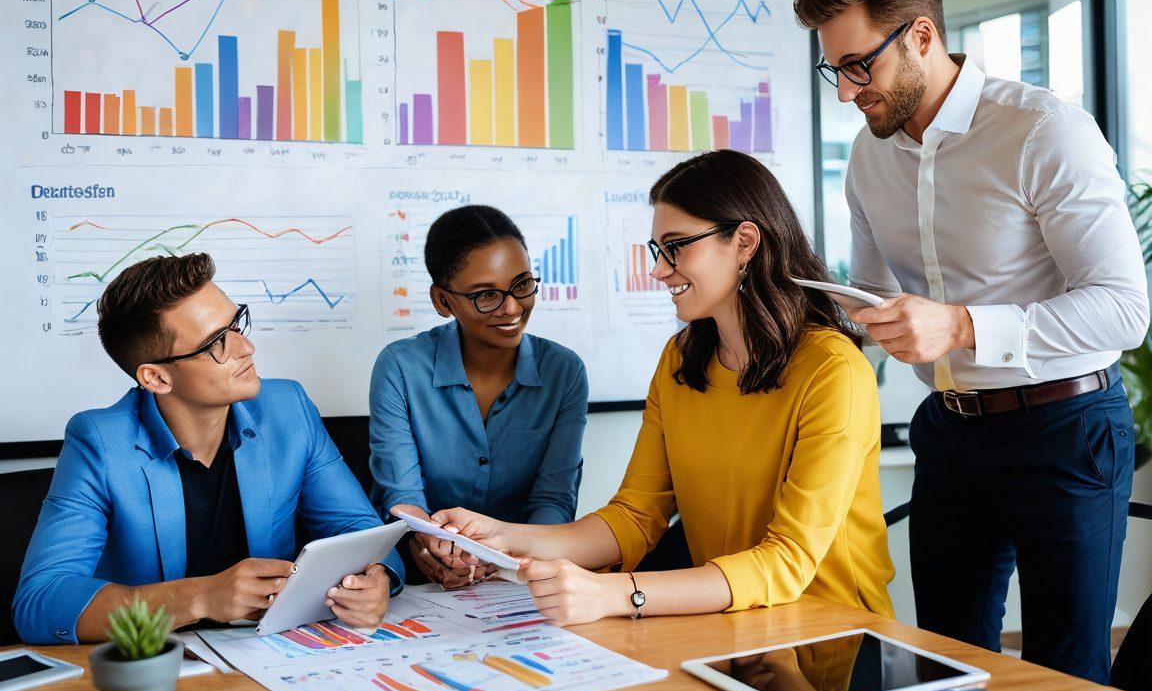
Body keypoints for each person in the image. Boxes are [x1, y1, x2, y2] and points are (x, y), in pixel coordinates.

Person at [793, 0, 1148, 684]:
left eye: (861, 66)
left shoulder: (1044, 132)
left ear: (921, 34)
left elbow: (1123, 311)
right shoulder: (868, 155)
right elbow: (873, 296)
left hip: (1068, 430)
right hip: (951, 432)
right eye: (835, 68)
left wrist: (958, 325)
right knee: (948, 665)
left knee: (1066, 678)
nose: (847, 91)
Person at [415, 151, 894, 624]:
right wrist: (500, 535)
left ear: (744, 242)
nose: (659, 269)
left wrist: (616, 594)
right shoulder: (682, 360)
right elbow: (635, 515)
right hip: (731, 624)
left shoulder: (833, 371)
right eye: (657, 251)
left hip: (836, 635)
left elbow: (786, 562)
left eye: (677, 247)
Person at [14, 253, 404, 644]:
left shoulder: (288, 409)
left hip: (272, 651)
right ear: (157, 378)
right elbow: (40, 601)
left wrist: (376, 579)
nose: (246, 347)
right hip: (161, 663)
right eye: (217, 342)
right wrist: (200, 596)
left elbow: (358, 530)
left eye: (237, 324)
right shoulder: (99, 441)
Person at [371, 205, 588, 587]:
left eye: (522, 284)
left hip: (521, 574)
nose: (511, 307)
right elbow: (403, 498)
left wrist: (505, 559)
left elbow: (554, 501)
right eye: (486, 295)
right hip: (424, 576)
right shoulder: (400, 368)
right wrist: (434, 547)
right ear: (442, 301)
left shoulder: (564, 372)